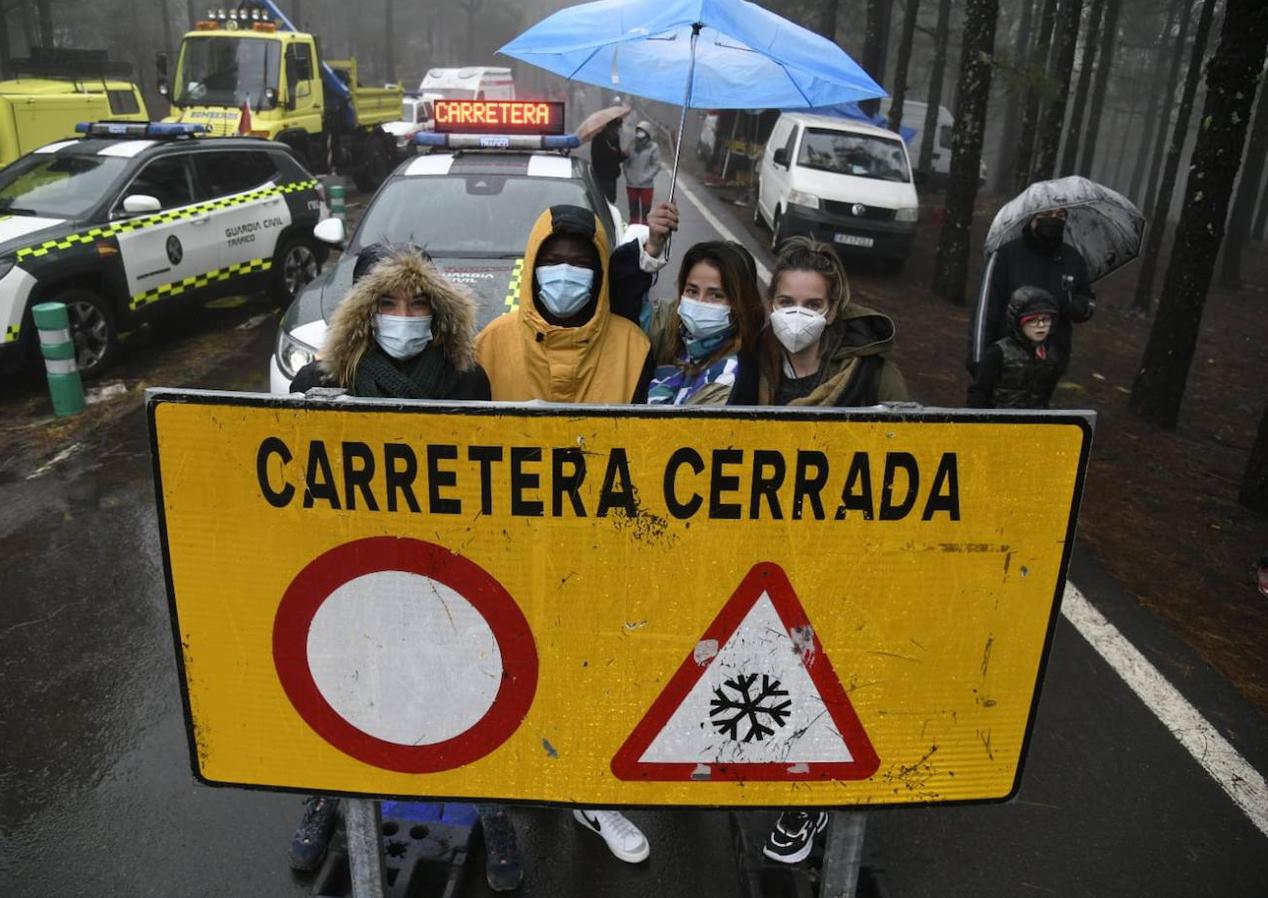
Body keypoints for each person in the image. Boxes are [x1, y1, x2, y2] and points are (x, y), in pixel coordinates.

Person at [473, 202, 679, 869]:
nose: (567, 274)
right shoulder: (491, 342)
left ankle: (592, 792)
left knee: (595, 674)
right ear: (532, 266)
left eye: (581, 263)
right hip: (510, 548)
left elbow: (649, 453)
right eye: (553, 261)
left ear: (600, 271)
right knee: (504, 671)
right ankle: (507, 790)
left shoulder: (634, 345)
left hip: (600, 548)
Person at [286, 243, 489, 875]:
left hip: (441, 568)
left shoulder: (466, 379)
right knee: (346, 689)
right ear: (363, 311)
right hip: (351, 568)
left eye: (418, 302)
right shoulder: (319, 383)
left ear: (438, 310)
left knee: (465, 688)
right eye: (388, 303)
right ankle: (328, 796)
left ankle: (490, 807)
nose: (405, 315)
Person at [756, 237, 908, 408]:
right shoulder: (749, 367)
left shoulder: (875, 377)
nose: (798, 314)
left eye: (813, 305)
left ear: (832, 312)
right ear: (771, 305)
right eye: (786, 302)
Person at [967, 207, 1095, 377]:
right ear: (1031, 217)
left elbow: (1088, 299)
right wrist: (979, 362)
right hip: (1005, 363)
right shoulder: (1006, 257)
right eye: (1047, 214)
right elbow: (985, 312)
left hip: (1051, 363)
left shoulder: (1073, 259)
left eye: (1060, 215)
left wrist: (1081, 306)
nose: (1053, 219)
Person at [644, 241, 764, 406]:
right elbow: (626, 305)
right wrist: (651, 250)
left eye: (716, 295)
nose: (699, 303)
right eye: (692, 291)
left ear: (740, 303)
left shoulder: (726, 374)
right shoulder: (680, 336)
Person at [966, 286, 1062, 409]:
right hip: (998, 422)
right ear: (1017, 322)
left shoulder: (1051, 355)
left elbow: (1046, 395)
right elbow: (978, 392)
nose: (1041, 325)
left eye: (1046, 319)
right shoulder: (998, 353)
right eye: (1033, 320)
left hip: (1035, 423)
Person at [623, 121, 663, 226]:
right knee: (633, 211)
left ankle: (645, 233)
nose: (640, 134)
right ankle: (633, 230)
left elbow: (657, 165)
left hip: (646, 185)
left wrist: (646, 177)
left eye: (643, 131)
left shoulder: (654, 147)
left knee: (646, 212)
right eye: (638, 131)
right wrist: (627, 175)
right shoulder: (631, 144)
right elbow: (626, 161)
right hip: (631, 184)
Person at [591, 117, 626, 205]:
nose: (618, 130)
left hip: (612, 177)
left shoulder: (615, 139)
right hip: (601, 177)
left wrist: (624, 155)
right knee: (602, 201)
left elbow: (617, 158)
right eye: (617, 127)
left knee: (611, 200)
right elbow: (598, 159)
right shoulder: (598, 139)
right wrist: (612, 152)